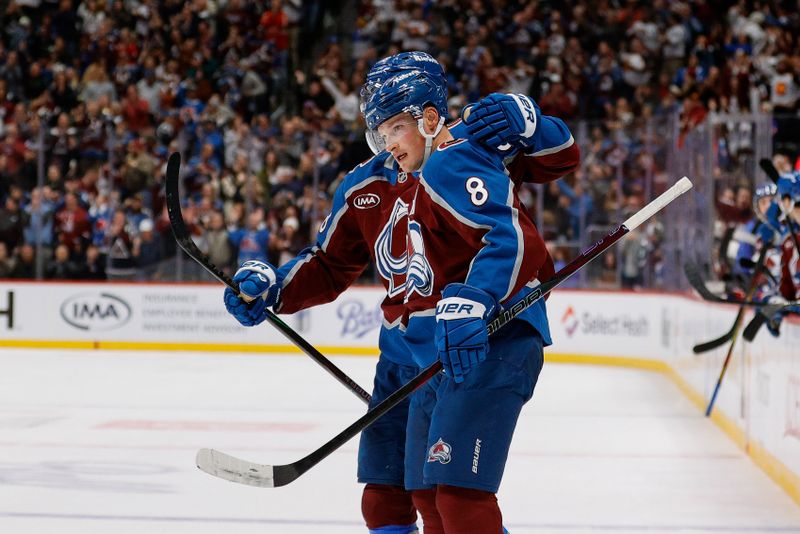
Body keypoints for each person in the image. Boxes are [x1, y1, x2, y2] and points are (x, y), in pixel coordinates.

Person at [224, 52, 578, 533]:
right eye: (379, 132)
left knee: (455, 498)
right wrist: (273, 289)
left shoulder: (472, 148)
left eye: (394, 127)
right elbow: (328, 262)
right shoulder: (366, 184)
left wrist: (531, 124)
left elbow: (552, 172)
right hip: (409, 355)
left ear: (429, 115)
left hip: (484, 339)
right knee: (403, 498)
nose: (388, 144)